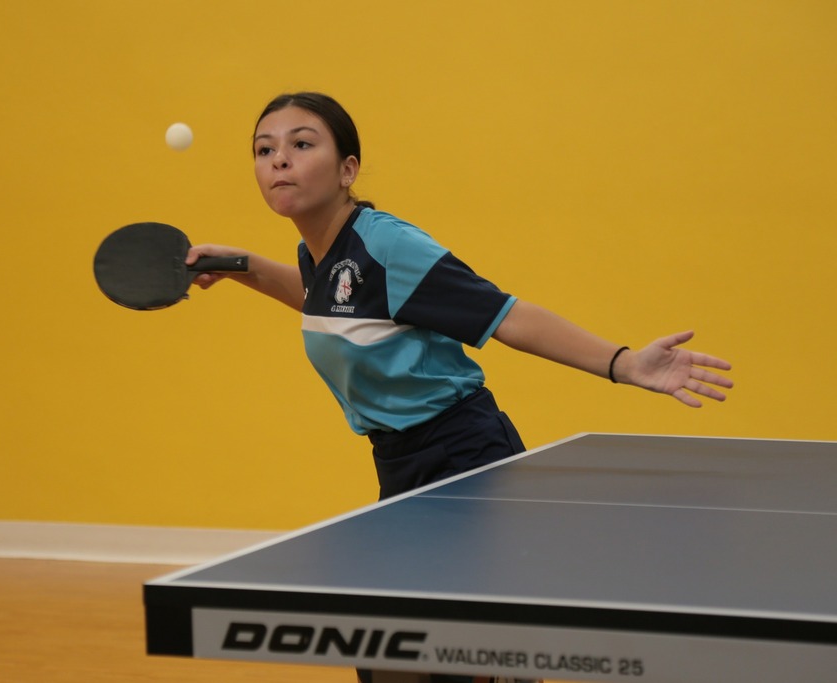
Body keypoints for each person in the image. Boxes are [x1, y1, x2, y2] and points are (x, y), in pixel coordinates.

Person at [185, 92, 733, 683]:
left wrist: (624, 363)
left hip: (462, 460)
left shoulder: (387, 246)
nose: (279, 160)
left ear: (348, 169)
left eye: (301, 144)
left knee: (430, 652)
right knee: (391, 652)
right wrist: (245, 267)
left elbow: (507, 316)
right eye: (264, 150)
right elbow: (330, 304)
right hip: (401, 462)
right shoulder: (323, 252)